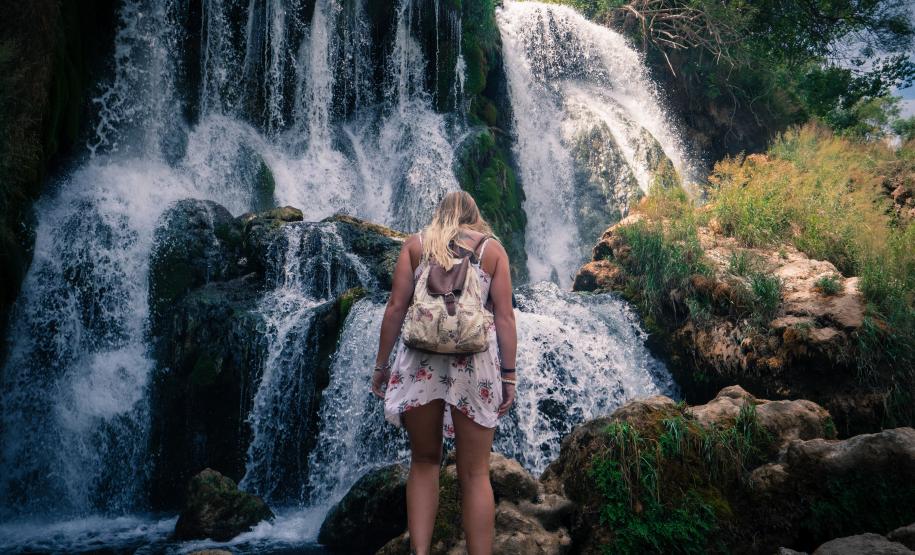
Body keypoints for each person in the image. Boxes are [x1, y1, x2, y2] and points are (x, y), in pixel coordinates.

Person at [371, 191, 517, 555]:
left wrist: (381, 366)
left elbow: (395, 308)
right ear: (474, 215)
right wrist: (509, 376)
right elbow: (504, 317)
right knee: (475, 473)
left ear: (440, 214)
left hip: (420, 362)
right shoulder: (492, 251)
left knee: (423, 461)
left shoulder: (417, 246)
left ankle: (419, 552)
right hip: (473, 364)